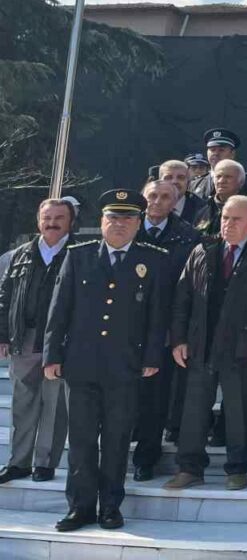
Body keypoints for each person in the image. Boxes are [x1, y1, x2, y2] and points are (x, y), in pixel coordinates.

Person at [43, 190, 169, 532]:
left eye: (127, 218)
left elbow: (158, 315)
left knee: (116, 439)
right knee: (81, 440)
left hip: (125, 366)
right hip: (81, 364)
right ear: (101, 221)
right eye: (113, 217)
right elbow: (59, 310)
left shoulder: (153, 259)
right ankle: (80, 507)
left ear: (138, 223)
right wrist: (52, 355)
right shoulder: (79, 256)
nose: (119, 224)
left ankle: (110, 506)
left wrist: (152, 356)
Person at [165, 196, 247, 490]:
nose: (228, 224)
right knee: (193, 409)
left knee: (238, 409)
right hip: (201, 342)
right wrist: (178, 339)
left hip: (243, 344)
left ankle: (237, 469)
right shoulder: (203, 249)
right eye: (225, 218)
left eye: (236, 219)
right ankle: (189, 468)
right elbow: (182, 299)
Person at [131, 180, 201, 480]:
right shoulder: (127, 226)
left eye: (165, 197)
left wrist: (179, 333)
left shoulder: (189, 237)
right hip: (124, 327)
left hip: (162, 331)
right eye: (152, 196)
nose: (157, 202)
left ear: (176, 202)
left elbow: (189, 292)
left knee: (155, 399)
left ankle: (146, 458)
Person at [0, 198, 74, 484]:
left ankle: (45, 463)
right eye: (46, 217)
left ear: (70, 221)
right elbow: (4, 297)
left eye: (59, 217)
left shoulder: (78, 253)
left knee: (55, 406)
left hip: (60, 341)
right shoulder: (20, 255)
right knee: (23, 403)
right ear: (38, 220)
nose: (52, 222)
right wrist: (2, 334)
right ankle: (19, 462)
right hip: (25, 339)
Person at [192, 129, 247, 198]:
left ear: (232, 154)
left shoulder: (246, 181)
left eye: (221, 150)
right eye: (212, 150)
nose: (216, 153)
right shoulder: (196, 184)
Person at [194, 159, 247, 238]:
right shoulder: (201, 208)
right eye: (218, 176)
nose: (221, 181)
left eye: (228, 177)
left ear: (241, 181)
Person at [159, 159, 208, 226]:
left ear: (188, 182)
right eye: (169, 177)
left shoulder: (202, 209)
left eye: (180, 177)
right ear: (159, 182)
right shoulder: (147, 204)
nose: (174, 181)